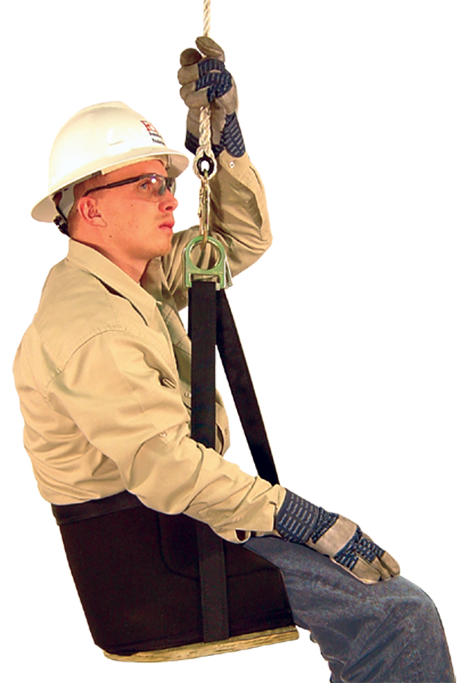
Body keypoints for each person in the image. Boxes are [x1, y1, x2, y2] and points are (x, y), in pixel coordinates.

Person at [10, 37, 456, 682]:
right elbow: (168, 470)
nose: (171, 198)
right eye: (148, 183)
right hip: (157, 556)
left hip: (178, 522)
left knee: (390, 606)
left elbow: (236, 241)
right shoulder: (91, 328)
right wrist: (301, 517)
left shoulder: (127, 277)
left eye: (169, 181)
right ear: (90, 207)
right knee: (399, 612)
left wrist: (223, 137)